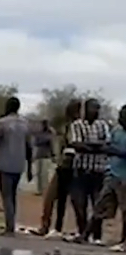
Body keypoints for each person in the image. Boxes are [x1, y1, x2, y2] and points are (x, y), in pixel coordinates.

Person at [32, 100, 82, 239]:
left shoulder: (76, 127)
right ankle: (50, 226)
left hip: (70, 166)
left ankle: (55, 227)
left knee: (68, 199)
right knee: (56, 198)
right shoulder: (67, 127)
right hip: (64, 164)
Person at [82, 105, 126, 251]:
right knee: (100, 206)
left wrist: (114, 150)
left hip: (124, 177)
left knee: (125, 210)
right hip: (112, 173)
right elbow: (107, 147)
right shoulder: (116, 131)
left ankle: (123, 242)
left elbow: (115, 150)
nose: (121, 118)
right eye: (120, 115)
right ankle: (85, 235)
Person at [0, 97, 33, 236]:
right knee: (13, 195)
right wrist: (30, 166)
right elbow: (29, 147)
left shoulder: (2, 123)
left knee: (6, 195)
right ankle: (11, 223)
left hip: (5, 163)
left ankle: (9, 227)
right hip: (19, 164)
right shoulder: (25, 123)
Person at [68, 98, 110, 244]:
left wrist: (88, 146)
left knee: (97, 204)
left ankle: (97, 236)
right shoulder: (77, 125)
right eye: (93, 108)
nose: (96, 111)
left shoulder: (102, 125)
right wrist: (95, 146)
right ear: (86, 109)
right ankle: (82, 232)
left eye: (98, 108)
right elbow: (76, 144)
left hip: (98, 170)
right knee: (80, 204)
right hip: (81, 170)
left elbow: (107, 145)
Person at [33, 119, 56, 196]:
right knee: (39, 173)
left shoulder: (49, 133)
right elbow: (36, 142)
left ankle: (44, 189)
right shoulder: (40, 133)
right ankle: (39, 189)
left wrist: (53, 155)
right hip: (39, 154)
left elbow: (51, 145)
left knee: (44, 174)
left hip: (46, 155)